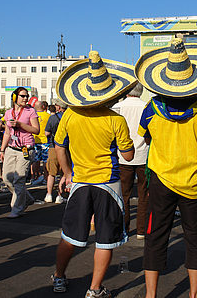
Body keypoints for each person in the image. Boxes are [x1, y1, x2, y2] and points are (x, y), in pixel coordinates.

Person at [135, 37, 197, 298]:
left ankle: (151, 295)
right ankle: (194, 294)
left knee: (155, 237)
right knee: (195, 238)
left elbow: (146, 138)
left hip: (161, 181)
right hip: (193, 184)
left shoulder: (152, 108)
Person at [52, 50, 136, 298]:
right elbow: (128, 155)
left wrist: (67, 172)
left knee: (70, 236)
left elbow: (59, 145)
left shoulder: (70, 114)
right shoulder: (115, 119)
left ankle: (59, 277)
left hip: (79, 181)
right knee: (105, 240)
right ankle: (95, 288)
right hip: (108, 184)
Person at [112, 82, 148, 239]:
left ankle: (124, 228)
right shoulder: (146, 107)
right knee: (144, 194)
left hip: (123, 156)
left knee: (124, 195)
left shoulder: (118, 107)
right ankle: (142, 230)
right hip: (144, 155)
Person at [1, 87, 40, 218]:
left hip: (25, 149)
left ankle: (16, 209)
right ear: (14, 98)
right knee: (7, 179)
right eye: (22, 96)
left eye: (26, 96)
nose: (25, 98)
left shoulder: (31, 111)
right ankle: (26, 198)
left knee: (19, 179)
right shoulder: (8, 113)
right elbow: (7, 133)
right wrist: (2, 149)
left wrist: (20, 125)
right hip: (11, 148)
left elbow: (36, 130)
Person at [44, 99, 68, 204]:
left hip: (53, 146)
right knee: (64, 172)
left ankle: (49, 194)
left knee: (51, 173)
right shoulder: (69, 117)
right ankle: (60, 195)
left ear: (58, 107)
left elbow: (46, 133)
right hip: (67, 147)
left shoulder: (52, 118)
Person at [31, 100, 50, 185]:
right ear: (43, 107)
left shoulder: (32, 116)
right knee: (46, 161)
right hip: (45, 141)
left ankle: (35, 177)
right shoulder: (48, 116)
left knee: (36, 160)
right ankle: (46, 178)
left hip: (35, 140)